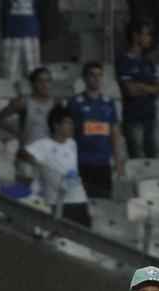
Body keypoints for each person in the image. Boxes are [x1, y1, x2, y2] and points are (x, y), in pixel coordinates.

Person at [18, 106, 91, 227]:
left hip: (79, 199)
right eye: (68, 123)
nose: (72, 126)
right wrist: (40, 165)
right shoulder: (43, 144)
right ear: (56, 125)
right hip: (57, 201)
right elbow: (21, 153)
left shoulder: (72, 143)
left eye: (72, 123)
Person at [68, 63, 124, 200]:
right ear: (85, 78)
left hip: (103, 163)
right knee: (80, 201)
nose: (96, 78)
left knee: (104, 202)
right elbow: (68, 133)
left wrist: (118, 161)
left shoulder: (108, 103)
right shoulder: (74, 102)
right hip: (82, 161)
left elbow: (115, 133)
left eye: (99, 75)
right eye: (92, 75)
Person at [116, 19, 159, 159]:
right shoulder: (123, 60)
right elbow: (130, 91)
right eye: (146, 34)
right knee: (137, 163)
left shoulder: (148, 61)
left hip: (150, 118)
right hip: (133, 119)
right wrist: (149, 88)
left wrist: (140, 86)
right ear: (136, 36)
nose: (149, 38)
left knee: (153, 162)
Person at [0, 66, 61, 146]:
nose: (44, 85)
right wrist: (17, 132)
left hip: (49, 151)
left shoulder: (56, 103)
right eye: (40, 81)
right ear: (33, 83)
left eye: (48, 81)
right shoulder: (23, 102)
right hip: (29, 151)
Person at [0, 0, 41, 80]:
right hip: (11, 34)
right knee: (9, 73)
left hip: (31, 33)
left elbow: (40, 10)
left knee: (33, 73)